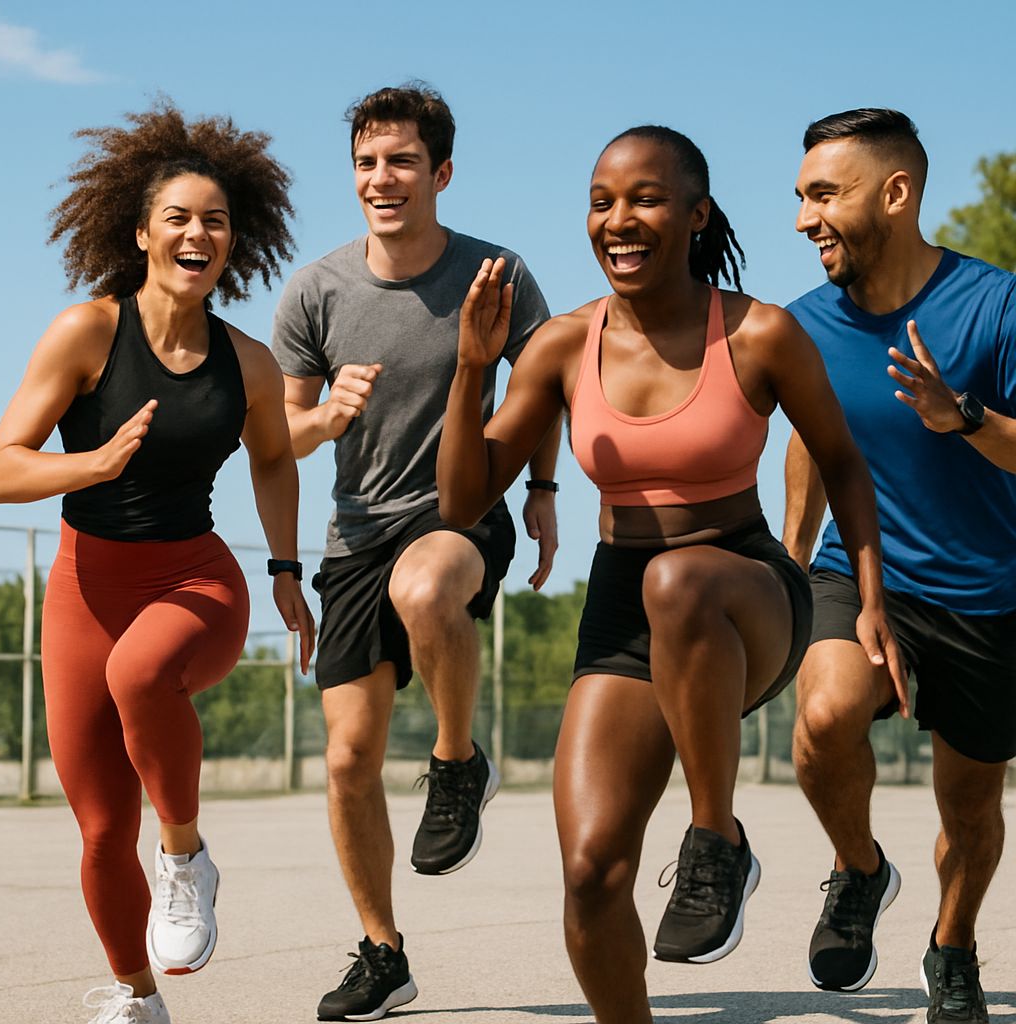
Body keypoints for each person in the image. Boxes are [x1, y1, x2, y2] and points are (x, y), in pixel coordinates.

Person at [436, 124, 901, 1024]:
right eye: (603, 203)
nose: (620, 220)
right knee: (591, 875)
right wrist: (469, 371)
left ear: (697, 215)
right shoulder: (566, 344)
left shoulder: (762, 333)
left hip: (745, 591)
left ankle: (716, 837)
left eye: (646, 199)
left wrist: (871, 600)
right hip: (624, 603)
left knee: (679, 581)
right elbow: (460, 503)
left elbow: (843, 462)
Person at [0, 102, 315, 1024]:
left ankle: (186, 855)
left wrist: (285, 572)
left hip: (194, 582)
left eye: (214, 220)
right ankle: (137, 997)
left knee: (144, 672)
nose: (197, 232)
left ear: (231, 243)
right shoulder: (87, 333)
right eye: (177, 216)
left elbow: (273, 456)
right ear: (139, 234)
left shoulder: (246, 362)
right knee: (98, 828)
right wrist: (87, 464)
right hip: (84, 586)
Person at [270, 84, 557, 1022]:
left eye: (399, 161)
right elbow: (284, 436)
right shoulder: (315, 290)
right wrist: (325, 416)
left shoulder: (495, 273)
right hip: (355, 534)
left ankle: (456, 759)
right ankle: (383, 950)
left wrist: (544, 492)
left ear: (439, 172)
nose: (380, 179)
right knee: (349, 762)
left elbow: (543, 382)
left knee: (428, 585)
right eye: (365, 163)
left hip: (460, 510)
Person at [785, 108, 1016, 1024]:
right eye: (800, 196)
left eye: (824, 194)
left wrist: (964, 417)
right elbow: (808, 443)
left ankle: (952, 946)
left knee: (969, 806)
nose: (805, 218)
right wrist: (790, 567)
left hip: (986, 591)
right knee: (828, 709)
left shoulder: (996, 305)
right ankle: (858, 867)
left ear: (896, 193)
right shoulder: (801, 326)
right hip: (858, 565)